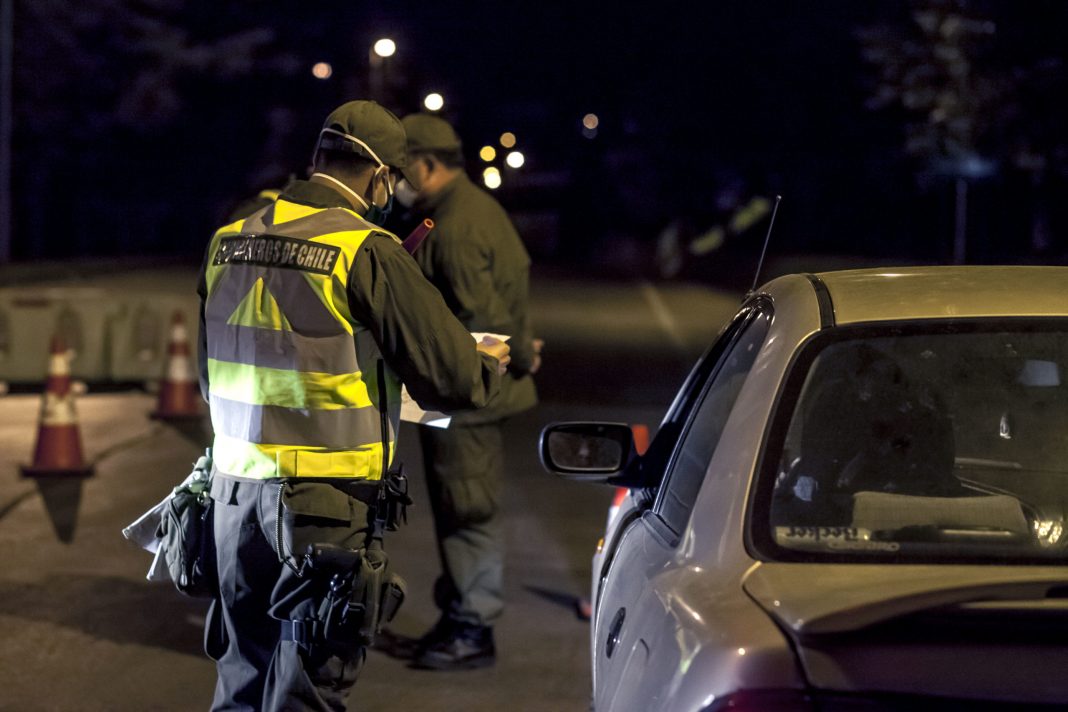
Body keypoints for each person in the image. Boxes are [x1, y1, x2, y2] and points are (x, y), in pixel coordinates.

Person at [196, 100, 511, 712]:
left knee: (242, 680)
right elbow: (453, 378)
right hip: (322, 509)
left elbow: (214, 379)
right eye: (390, 182)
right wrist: (489, 362)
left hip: (233, 501)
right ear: (377, 175)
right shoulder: (366, 250)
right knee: (307, 690)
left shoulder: (229, 240)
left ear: (317, 159)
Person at [391, 113, 541, 670]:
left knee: (468, 510)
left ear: (427, 164)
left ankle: (473, 627)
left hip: (468, 400)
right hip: (460, 397)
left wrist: (517, 353)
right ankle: (459, 614)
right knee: (458, 507)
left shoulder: (455, 226)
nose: (396, 181)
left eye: (401, 169)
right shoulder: (459, 212)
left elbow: (484, 323)